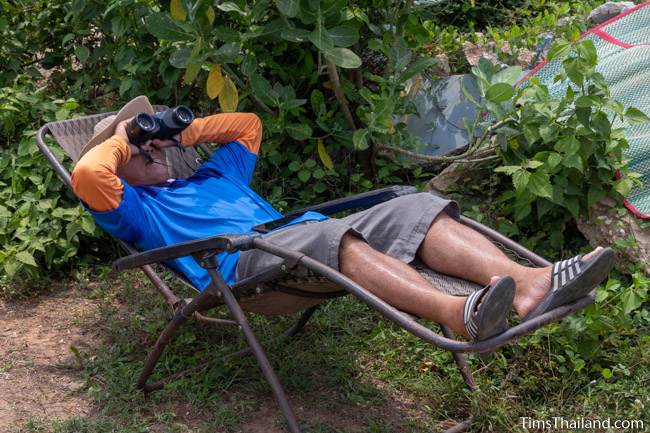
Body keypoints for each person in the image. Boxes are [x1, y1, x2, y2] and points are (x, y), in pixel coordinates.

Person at [71, 96, 614, 342]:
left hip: (302, 236)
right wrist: (124, 139)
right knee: (331, 236)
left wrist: (179, 133)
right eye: (139, 153)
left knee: (414, 206)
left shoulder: (212, 177)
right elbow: (90, 175)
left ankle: (529, 284)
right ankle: (456, 314)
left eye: (148, 145)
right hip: (245, 270)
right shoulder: (136, 212)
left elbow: (247, 126)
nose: (149, 152)